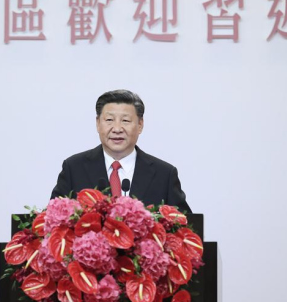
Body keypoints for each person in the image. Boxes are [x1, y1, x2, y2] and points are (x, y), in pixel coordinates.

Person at [50, 89, 191, 213]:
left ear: (140, 125)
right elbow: (53, 219)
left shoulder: (164, 175)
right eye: (109, 120)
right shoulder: (74, 168)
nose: (117, 129)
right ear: (98, 123)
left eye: (125, 121)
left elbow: (186, 227)